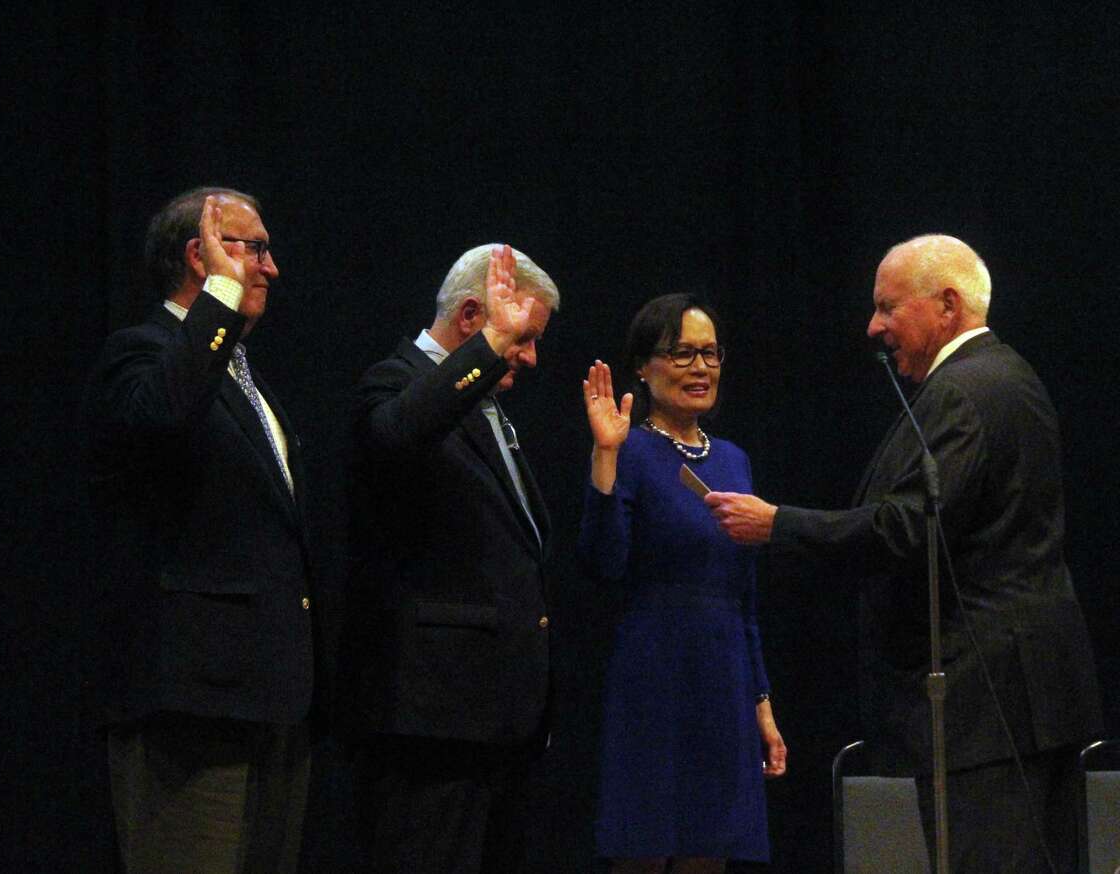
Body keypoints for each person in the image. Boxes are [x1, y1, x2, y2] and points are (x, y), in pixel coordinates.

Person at [710, 235, 1103, 873]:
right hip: (1019, 702)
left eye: (889, 308)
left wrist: (778, 524)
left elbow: (906, 529)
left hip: (985, 705)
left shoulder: (966, 390)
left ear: (947, 305)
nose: (874, 326)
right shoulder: (1004, 376)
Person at [81, 188, 319, 874]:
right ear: (200, 254)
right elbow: (160, 417)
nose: (272, 269)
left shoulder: (247, 376)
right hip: (190, 704)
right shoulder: (140, 353)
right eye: (256, 248)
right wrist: (221, 291)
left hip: (271, 701)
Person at [342, 243, 559, 873]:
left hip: (498, 723)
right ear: (472, 317)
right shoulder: (394, 381)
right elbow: (394, 435)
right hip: (432, 721)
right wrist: (492, 348)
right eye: (524, 338)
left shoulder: (486, 407)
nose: (530, 357)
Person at [578, 293, 787, 874]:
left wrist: (762, 703)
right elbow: (602, 563)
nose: (701, 368)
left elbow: (744, 597)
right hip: (653, 677)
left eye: (711, 354)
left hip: (724, 678)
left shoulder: (735, 460)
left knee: (710, 850)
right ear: (643, 367)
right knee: (644, 848)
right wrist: (605, 455)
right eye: (683, 354)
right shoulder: (630, 449)